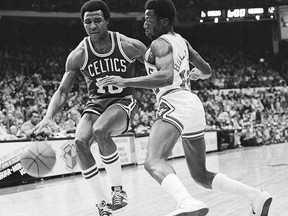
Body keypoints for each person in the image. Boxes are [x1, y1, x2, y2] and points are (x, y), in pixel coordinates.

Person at [98, 0, 272, 215]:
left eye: (148, 19)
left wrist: (125, 81)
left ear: (163, 22)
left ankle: (187, 202)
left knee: (153, 161)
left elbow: (165, 76)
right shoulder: (182, 41)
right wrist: (198, 74)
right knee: (200, 174)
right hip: (192, 104)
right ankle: (255, 195)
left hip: (174, 102)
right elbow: (207, 69)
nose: (144, 24)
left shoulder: (159, 44)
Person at [34, 0, 147, 215]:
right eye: (87, 22)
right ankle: (103, 203)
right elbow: (63, 91)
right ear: (83, 24)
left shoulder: (127, 45)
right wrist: (49, 116)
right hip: (96, 104)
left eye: (97, 20)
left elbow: (157, 70)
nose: (92, 25)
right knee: (80, 141)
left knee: (100, 130)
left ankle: (118, 190)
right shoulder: (79, 54)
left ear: (107, 21)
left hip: (123, 101)